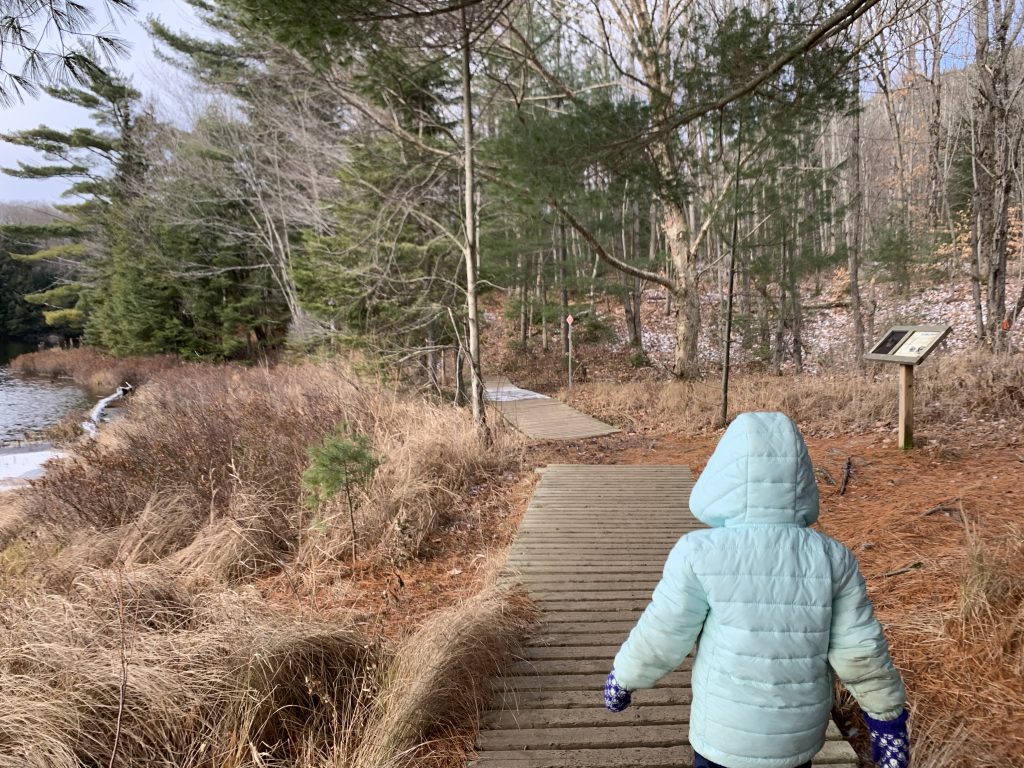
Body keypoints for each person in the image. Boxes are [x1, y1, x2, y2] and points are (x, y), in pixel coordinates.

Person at [602, 412, 909, 768]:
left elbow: (665, 631)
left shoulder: (700, 552)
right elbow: (860, 649)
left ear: (723, 474)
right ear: (801, 478)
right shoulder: (832, 557)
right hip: (796, 737)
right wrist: (887, 720)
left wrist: (624, 677)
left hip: (722, 734)